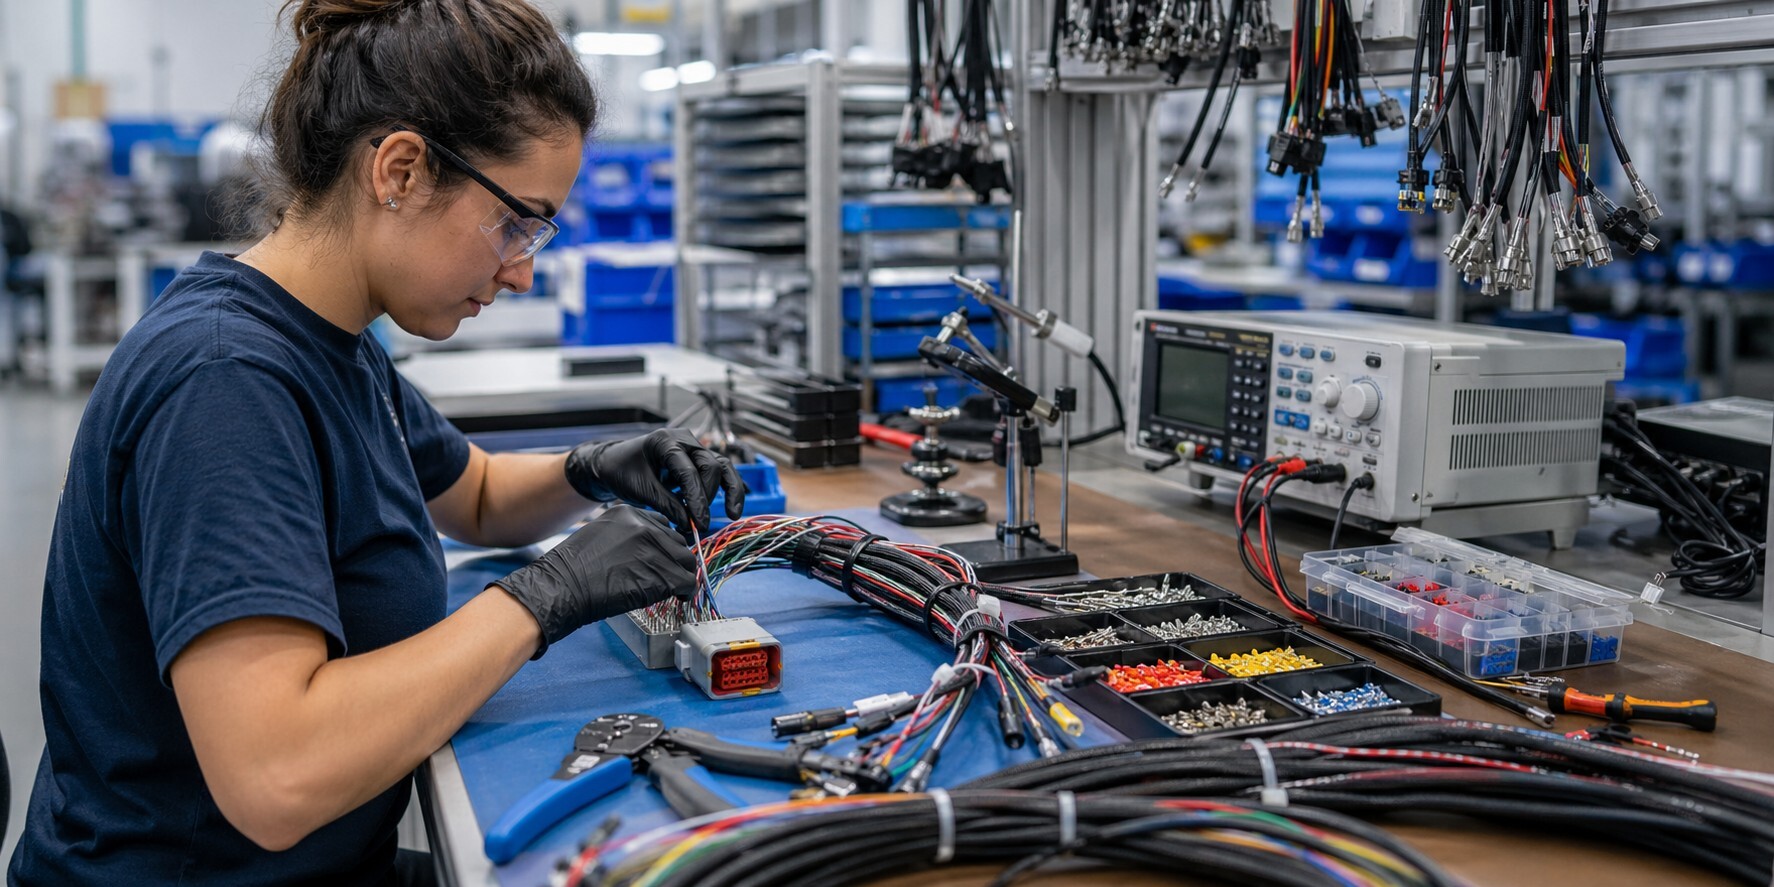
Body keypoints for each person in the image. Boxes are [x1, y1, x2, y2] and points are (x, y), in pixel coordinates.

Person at [6, 2, 742, 885]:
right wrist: (549, 592)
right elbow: (277, 773)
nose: (523, 268)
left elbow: (468, 493)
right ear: (399, 169)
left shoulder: (334, 340)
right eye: (517, 222)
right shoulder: (224, 384)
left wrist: (593, 469)